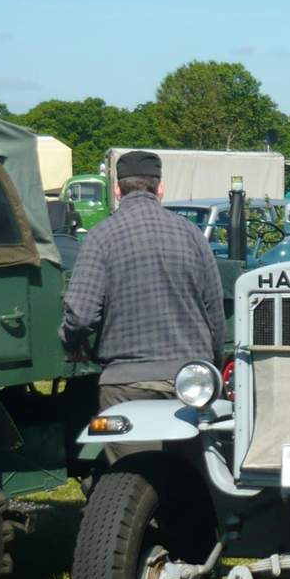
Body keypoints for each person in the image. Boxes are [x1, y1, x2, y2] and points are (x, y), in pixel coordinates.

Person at [60, 150, 225, 410]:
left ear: (117, 191)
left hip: (126, 383)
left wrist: (70, 342)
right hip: (190, 382)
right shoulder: (193, 235)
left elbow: (81, 316)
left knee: (131, 440)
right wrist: (211, 365)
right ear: (160, 189)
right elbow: (215, 314)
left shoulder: (101, 236)